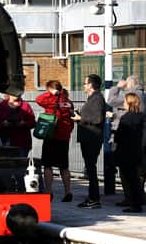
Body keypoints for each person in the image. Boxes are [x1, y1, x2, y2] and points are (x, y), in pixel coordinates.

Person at [106, 75, 146, 205]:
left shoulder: (132, 94)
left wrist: (117, 87)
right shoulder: (143, 94)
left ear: (131, 83)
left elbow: (111, 100)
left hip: (127, 142)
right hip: (140, 140)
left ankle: (130, 199)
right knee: (138, 171)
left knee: (127, 172)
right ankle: (139, 197)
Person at [36, 81, 75, 202]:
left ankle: (48, 191)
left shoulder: (51, 100)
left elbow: (38, 99)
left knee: (47, 166)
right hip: (64, 138)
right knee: (64, 166)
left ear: (51, 89)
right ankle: (68, 191)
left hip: (51, 136)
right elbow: (71, 121)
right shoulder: (68, 102)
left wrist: (50, 94)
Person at [73, 74, 107, 209]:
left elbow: (98, 119)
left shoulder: (97, 98)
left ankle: (94, 198)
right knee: (90, 168)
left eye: (85, 83)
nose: (84, 86)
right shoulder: (92, 98)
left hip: (92, 138)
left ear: (91, 85)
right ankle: (92, 197)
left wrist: (80, 119)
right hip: (88, 137)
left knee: (91, 169)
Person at [113, 93, 146, 213]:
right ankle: (137, 202)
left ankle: (134, 204)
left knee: (129, 179)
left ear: (129, 103)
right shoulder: (142, 116)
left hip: (126, 152)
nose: (123, 104)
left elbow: (118, 137)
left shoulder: (126, 118)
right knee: (136, 179)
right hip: (138, 151)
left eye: (124, 102)